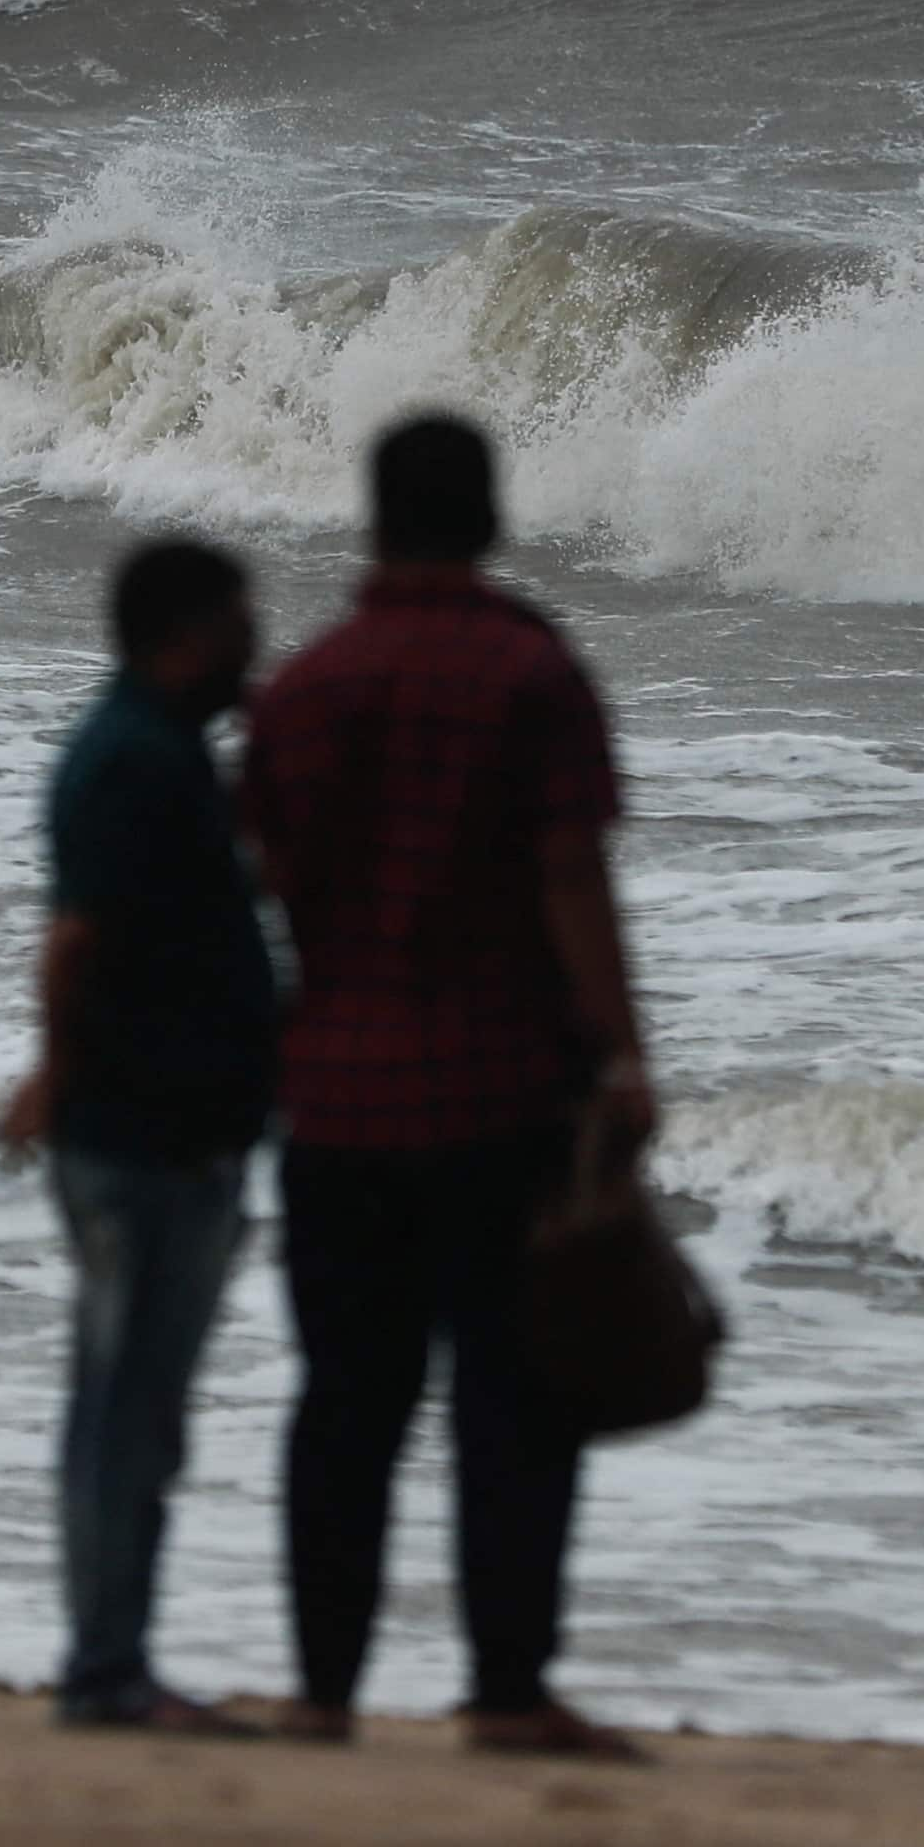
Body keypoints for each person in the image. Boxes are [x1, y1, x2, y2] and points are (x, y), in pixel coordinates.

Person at [240, 412, 656, 1762]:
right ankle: (506, 1690)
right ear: (487, 518)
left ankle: (321, 1691)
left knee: (344, 1404)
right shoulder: (530, 674)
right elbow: (569, 877)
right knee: (512, 1400)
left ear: (375, 517)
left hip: (339, 1101)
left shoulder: (304, 685)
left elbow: (267, 885)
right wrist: (625, 1050)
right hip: (497, 1093)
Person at [0, 536, 280, 1736]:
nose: (254, 640)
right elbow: (75, 941)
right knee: (126, 1412)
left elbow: (211, 901)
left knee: (132, 1410)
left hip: (167, 1131)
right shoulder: (132, 761)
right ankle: (106, 1668)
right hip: (139, 1137)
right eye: (237, 622)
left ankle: (111, 1659)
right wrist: (55, 1074)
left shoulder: (156, 752)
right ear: (183, 634)